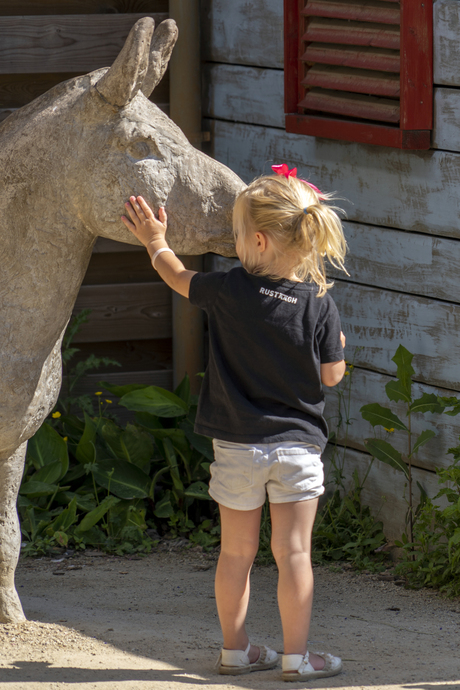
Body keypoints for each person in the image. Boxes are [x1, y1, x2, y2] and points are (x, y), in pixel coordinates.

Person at [121, 164, 347, 682]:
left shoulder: (227, 289)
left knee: (236, 553)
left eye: (238, 234)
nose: (235, 243)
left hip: (237, 448)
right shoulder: (320, 304)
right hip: (296, 450)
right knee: (293, 553)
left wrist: (155, 239)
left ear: (259, 241)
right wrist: (336, 354)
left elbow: (176, 276)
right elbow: (332, 377)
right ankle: (296, 658)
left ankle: (236, 650)